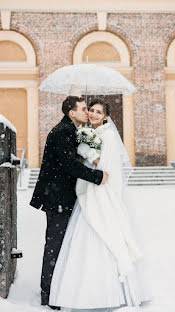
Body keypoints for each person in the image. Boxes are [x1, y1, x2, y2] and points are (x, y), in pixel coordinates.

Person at [49, 98, 151, 311]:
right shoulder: (88, 134)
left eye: (98, 112)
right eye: (91, 110)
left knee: (104, 234)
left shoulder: (109, 137)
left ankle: (109, 292)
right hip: (87, 192)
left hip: (101, 193)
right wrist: (85, 151)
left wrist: (90, 154)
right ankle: (82, 291)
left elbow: (107, 169)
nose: (93, 114)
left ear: (106, 116)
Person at [30, 96, 109, 310]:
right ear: (71, 112)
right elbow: (69, 165)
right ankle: (48, 293)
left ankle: (58, 288)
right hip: (57, 198)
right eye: (84, 109)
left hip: (66, 197)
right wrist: (97, 176)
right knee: (54, 245)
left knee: (62, 244)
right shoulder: (61, 132)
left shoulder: (73, 131)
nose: (88, 112)